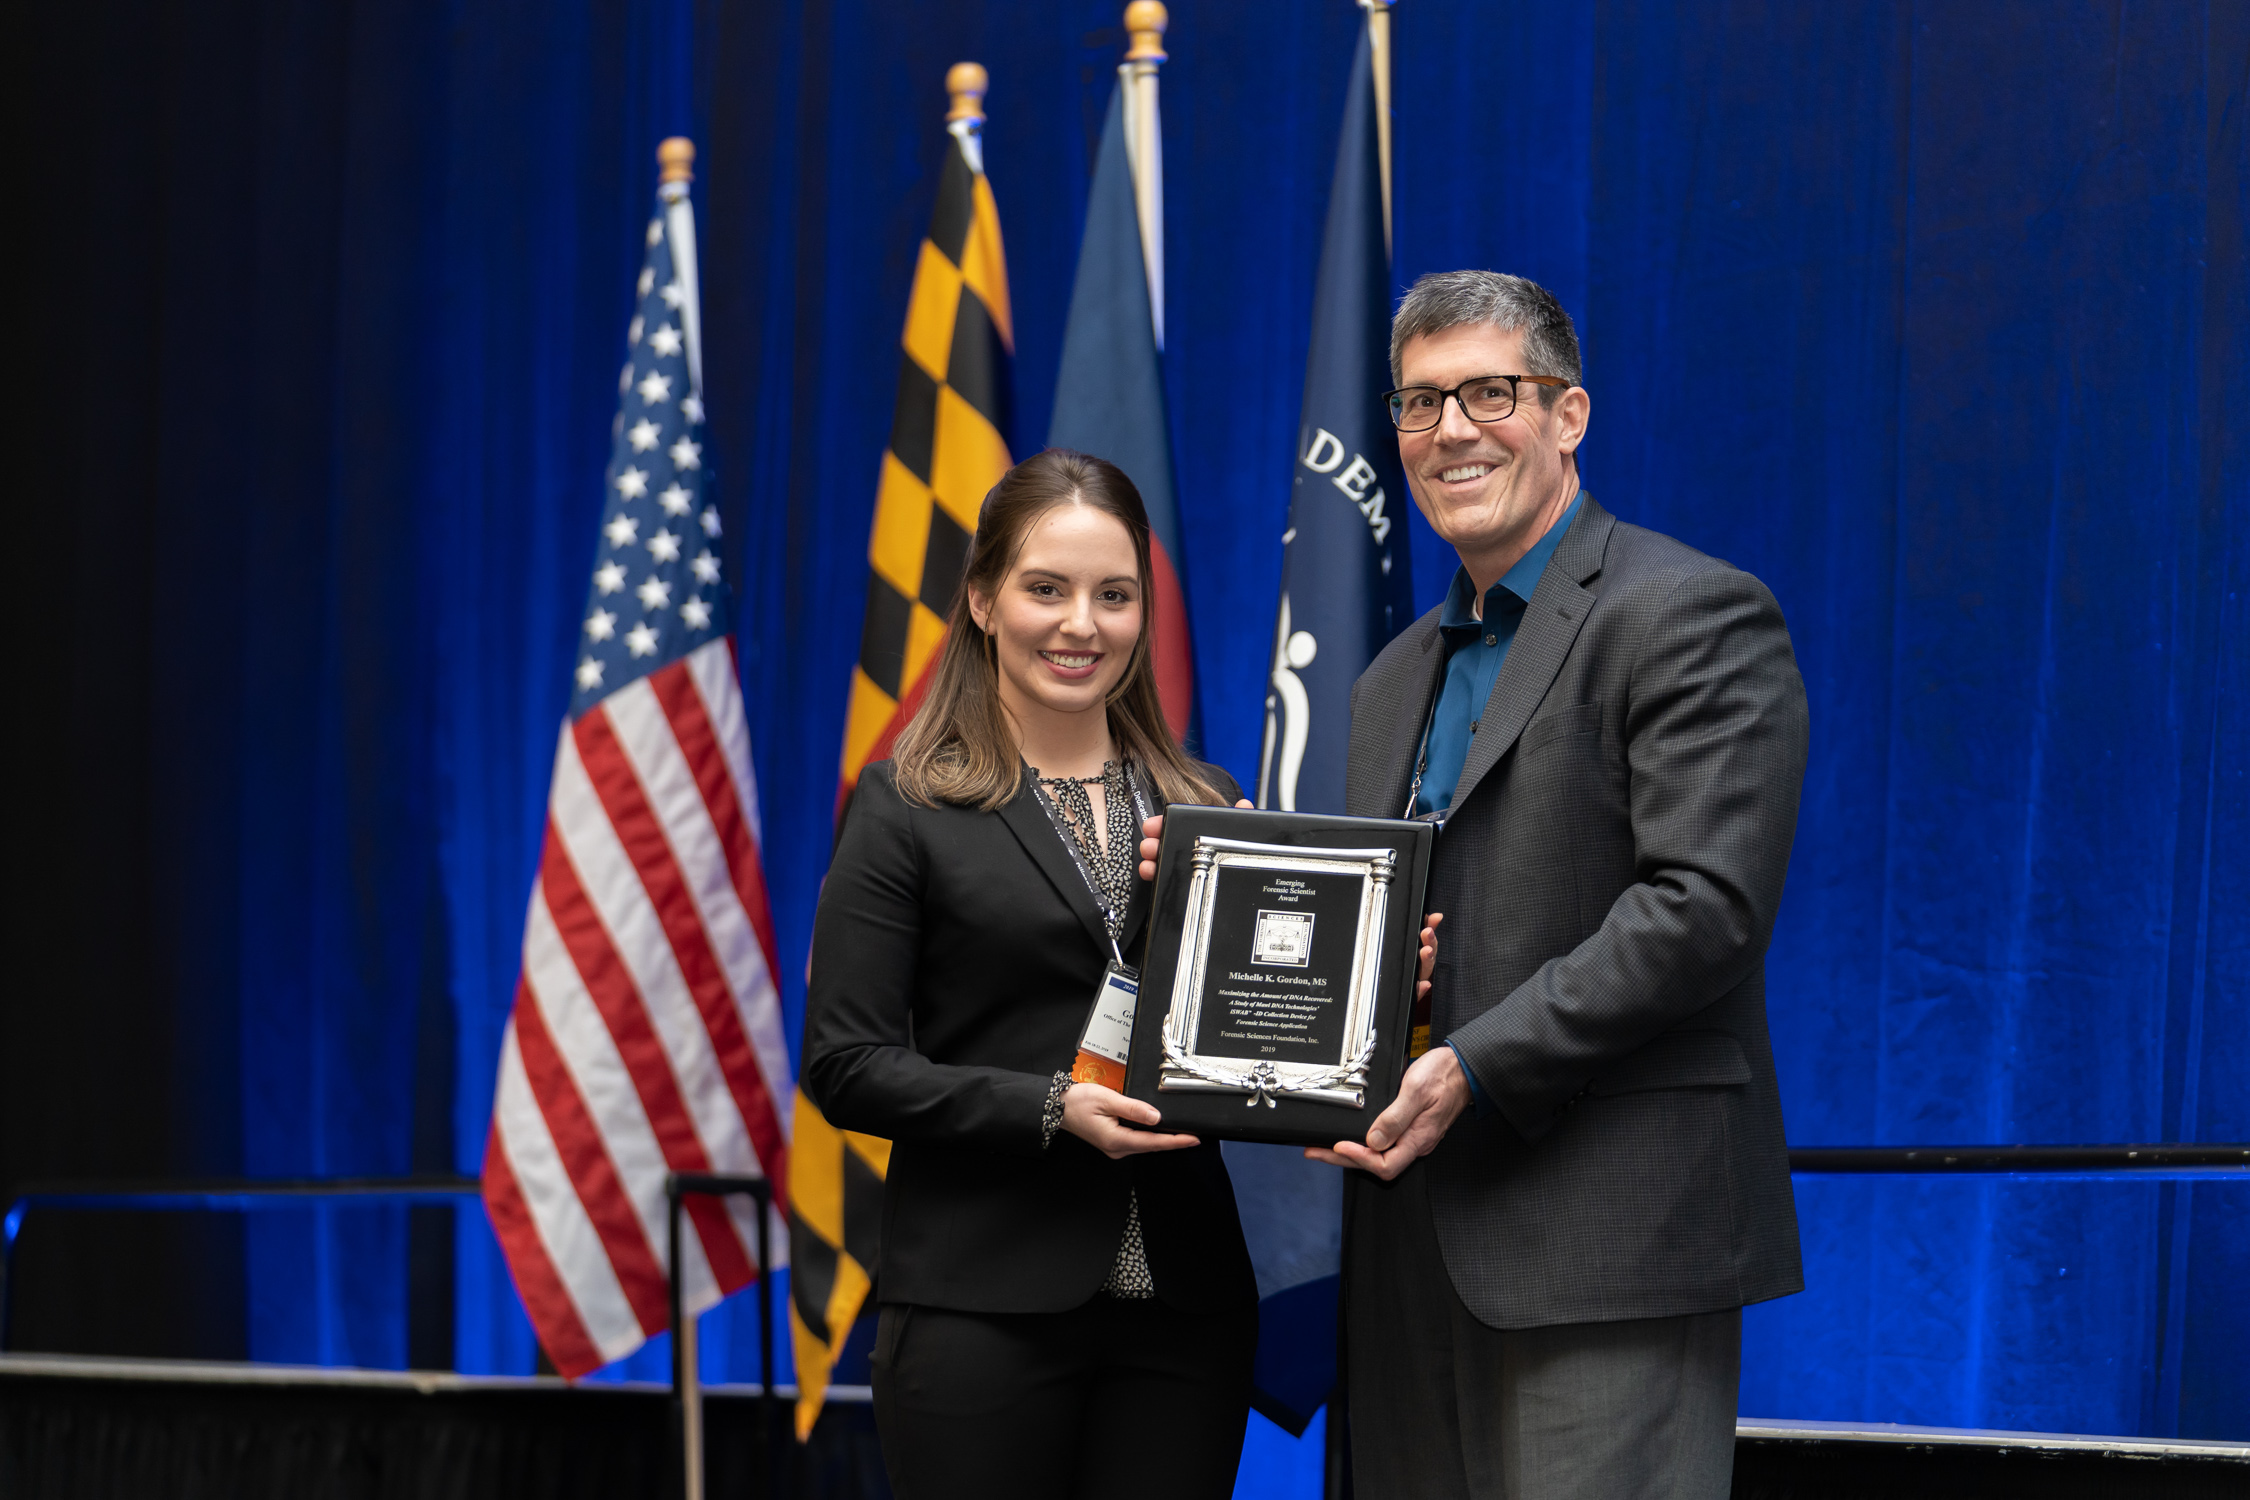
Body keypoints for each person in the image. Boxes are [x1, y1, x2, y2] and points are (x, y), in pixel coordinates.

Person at [806, 449, 1442, 1499]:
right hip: (982, 1309)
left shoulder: (1209, 806)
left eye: (1114, 595)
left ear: (1145, 615)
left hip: (1184, 1317)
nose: (1081, 624)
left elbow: (1251, 1032)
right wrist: (1051, 1108)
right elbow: (847, 1066)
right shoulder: (906, 806)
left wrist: (1373, 999)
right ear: (982, 601)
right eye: (1045, 589)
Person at [1316, 271, 1807, 1498]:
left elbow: (1703, 909)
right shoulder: (1389, 679)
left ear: (1568, 414)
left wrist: (1471, 1062)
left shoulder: (1687, 611)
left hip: (1606, 1236)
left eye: (1490, 393)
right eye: (1420, 403)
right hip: (1406, 1244)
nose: (1451, 431)